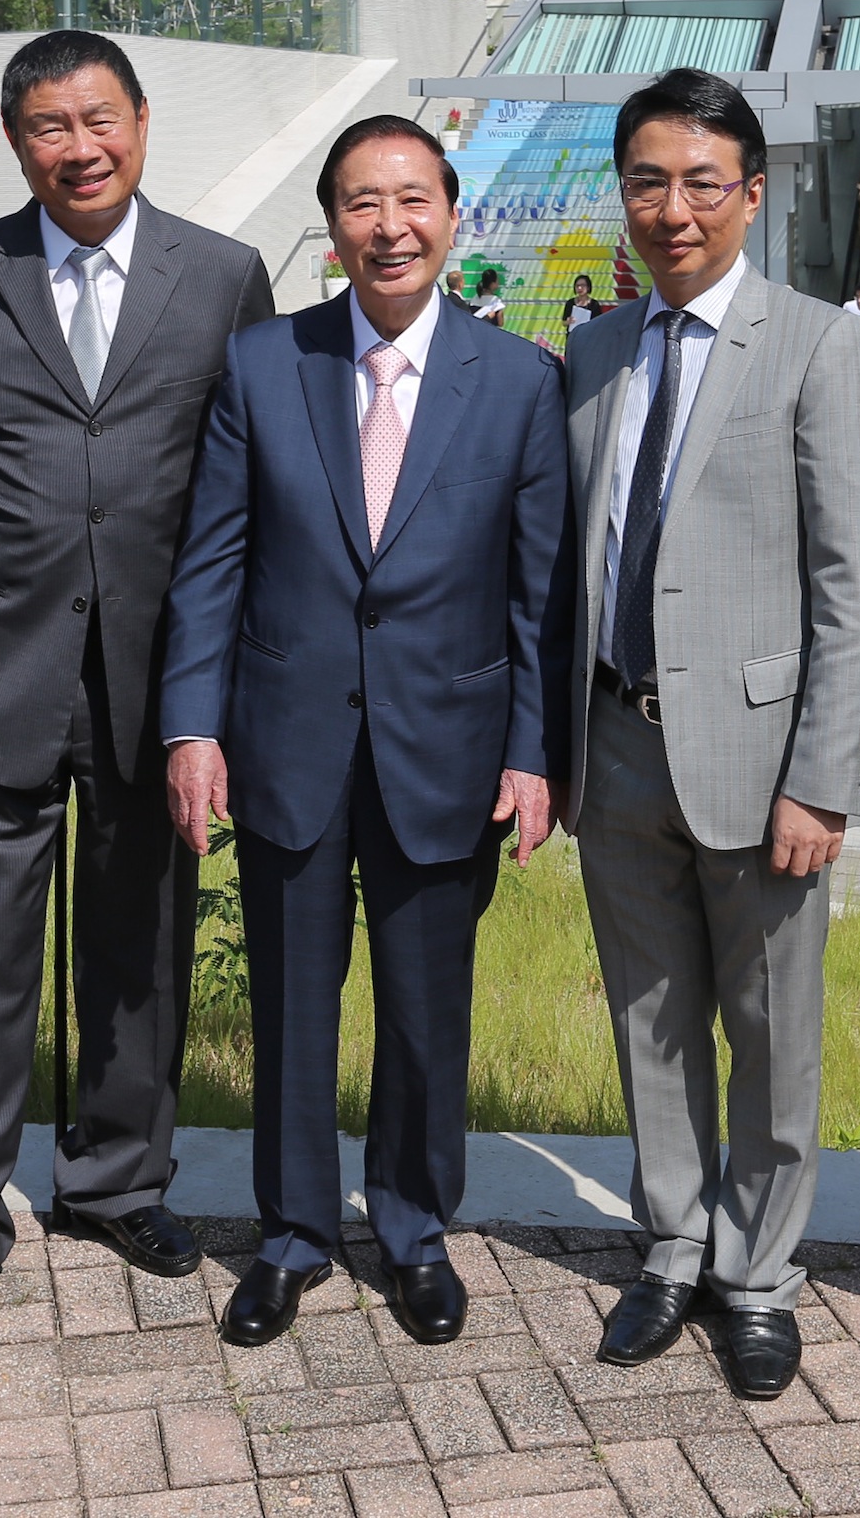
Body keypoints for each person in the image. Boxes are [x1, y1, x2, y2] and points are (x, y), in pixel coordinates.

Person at [160, 115, 569, 1349]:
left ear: (450, 214)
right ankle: (291, 1233)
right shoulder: (260, 364)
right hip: (284, 736)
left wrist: (535, 748)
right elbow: (211, 563)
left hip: (451, 742)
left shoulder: (519, 381)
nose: (386, 227)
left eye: (410, 200)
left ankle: (411, 1227)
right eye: (358, 204)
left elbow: (539, 592)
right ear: (331, 227)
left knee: (424, 1006)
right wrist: (192, 726)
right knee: (291, 1003)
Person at [0, 31, 274, 1357]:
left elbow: (244, 484)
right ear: (17, 144)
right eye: (49, 126)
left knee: (137, 959)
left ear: (143, 123)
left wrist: (212, 696)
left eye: (99, 118)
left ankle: (116, 1182)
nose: (79, 146)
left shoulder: (223, 278)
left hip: (158, 689)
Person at [562, 66, 860, 1401]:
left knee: (771, 1034)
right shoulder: (596, 349)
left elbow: (858, 584)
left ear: (753, 195)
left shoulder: (819, 344)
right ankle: (672, 1246)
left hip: (765, 770)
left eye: (704, 180)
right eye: (648, 179)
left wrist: (824, 779)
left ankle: (759, 1279)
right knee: (650, 1022)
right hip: (617, 743)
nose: (673, 207)